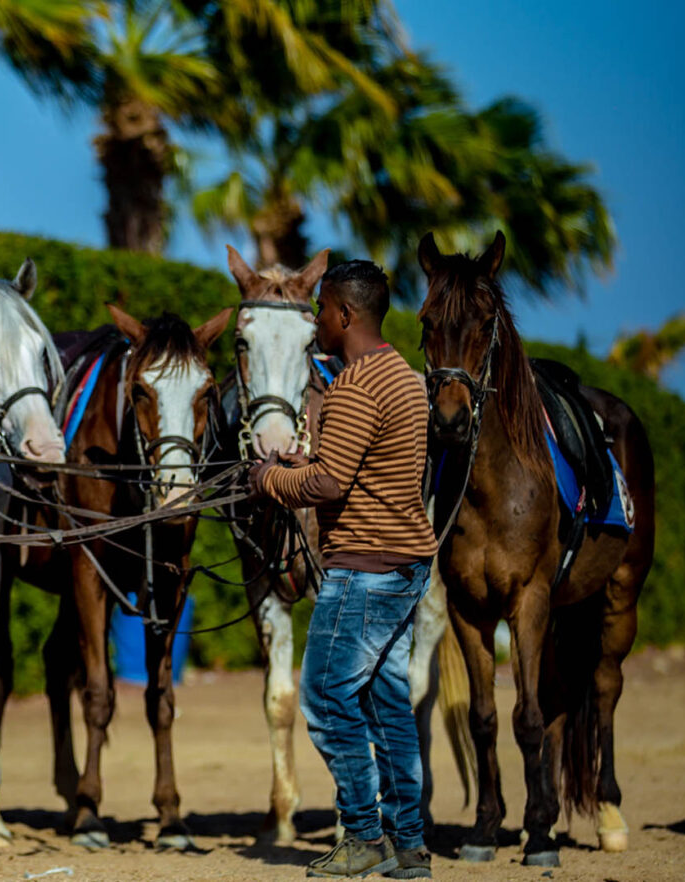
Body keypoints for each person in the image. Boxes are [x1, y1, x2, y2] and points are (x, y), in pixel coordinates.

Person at [250, 259, 436, 879]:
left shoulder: (356, 386)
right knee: (387, 704)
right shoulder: (407, 379)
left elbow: (328, 482)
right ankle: (409, 844)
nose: (318, 322)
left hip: (362, 569)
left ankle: (362, 834)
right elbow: (363, 466)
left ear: (346, 315)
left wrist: (269, 477)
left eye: (323, 310)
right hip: (406, 565)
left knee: (326, 698)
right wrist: (310, 458)